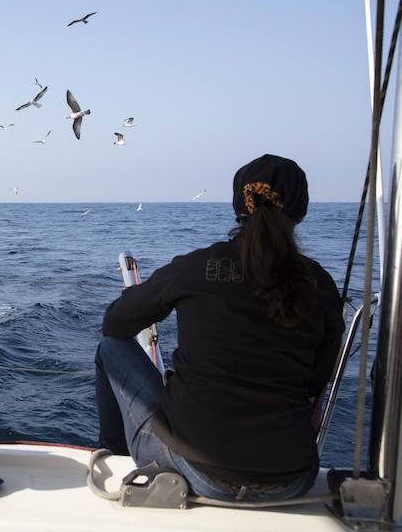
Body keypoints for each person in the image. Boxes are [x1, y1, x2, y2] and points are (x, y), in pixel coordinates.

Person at [94, 154, 343, 502]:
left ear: (237, 206)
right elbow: (317, 379)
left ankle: (115, 455)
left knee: (111, 348)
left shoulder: (197, 267)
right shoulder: (320, 284)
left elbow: (115, 323)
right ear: (300, 213)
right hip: (293, 478)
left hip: (199, 473)